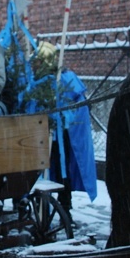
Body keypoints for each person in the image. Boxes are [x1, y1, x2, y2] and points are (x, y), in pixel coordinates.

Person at [28, 42, 97, 225]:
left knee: (62, 173)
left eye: (37, 62)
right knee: (41, 174)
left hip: (63, 137)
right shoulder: (34, 82)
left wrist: (61, 116)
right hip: (42, 136)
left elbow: (77, 106)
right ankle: (38, 208)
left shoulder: (66, 78)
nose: (34, 66)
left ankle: (66, 209)